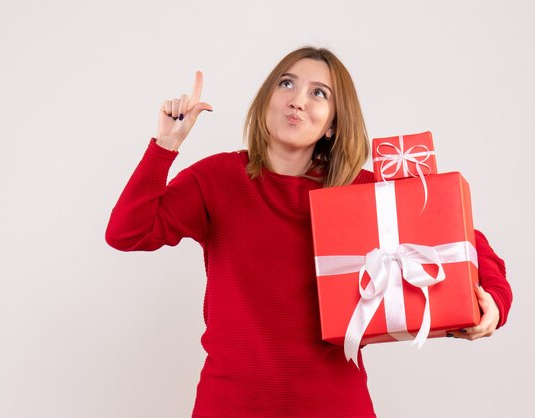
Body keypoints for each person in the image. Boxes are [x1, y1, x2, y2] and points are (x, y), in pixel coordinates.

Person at [105, 46, 512, 418]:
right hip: (229, 404)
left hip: (334, 405)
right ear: (267, 99)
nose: (297, 99)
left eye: (319, 93)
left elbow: (464, 241)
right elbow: (126, 232)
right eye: (287, 84)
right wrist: (166, 144)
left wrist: (492, 301)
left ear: (334, 124)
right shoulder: (217, 178)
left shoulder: (363, 192)